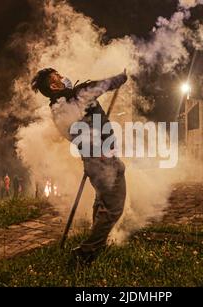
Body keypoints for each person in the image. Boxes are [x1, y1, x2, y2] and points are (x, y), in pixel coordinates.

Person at [32, 68, 128, 263]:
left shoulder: (57, 108)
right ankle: (86, 253)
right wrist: (118, 78)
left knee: (102, 201)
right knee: (113, 208)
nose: (61, 77)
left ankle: (98, 243)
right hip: (102, 158)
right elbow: (97, 87)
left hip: (94, 159)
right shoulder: (73, 97)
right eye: (57, 76)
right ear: (53, 85)